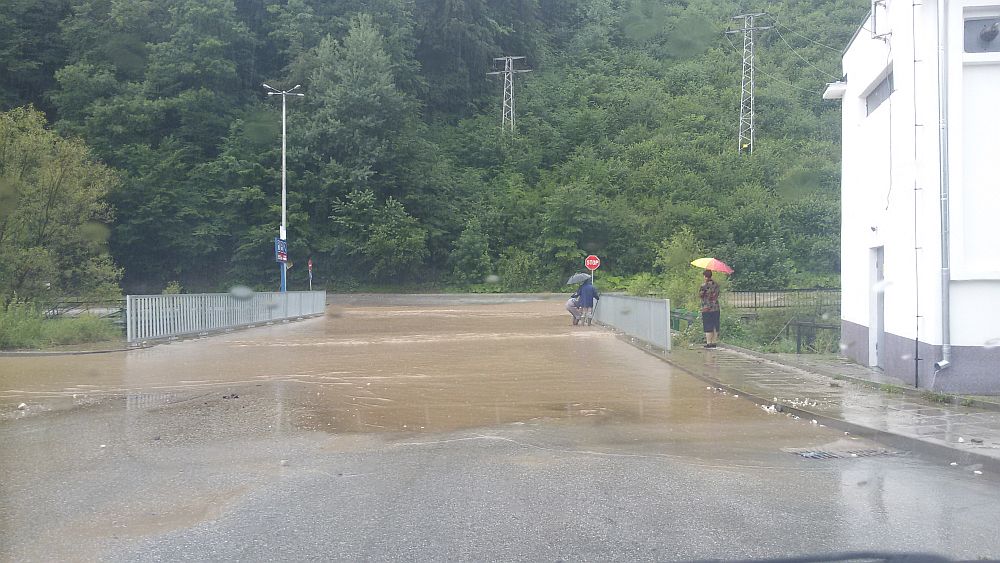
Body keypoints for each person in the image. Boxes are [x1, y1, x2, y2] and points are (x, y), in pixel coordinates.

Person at [699, 269, 721, 348]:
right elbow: (717, 294)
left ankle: (709, 343)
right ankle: (714, 342)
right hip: (716, 307)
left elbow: (701, 295)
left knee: (708, 325)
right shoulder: (717, 285)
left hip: (706, 308)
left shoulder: (704, 286)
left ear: (705, 276)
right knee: (715, 324)